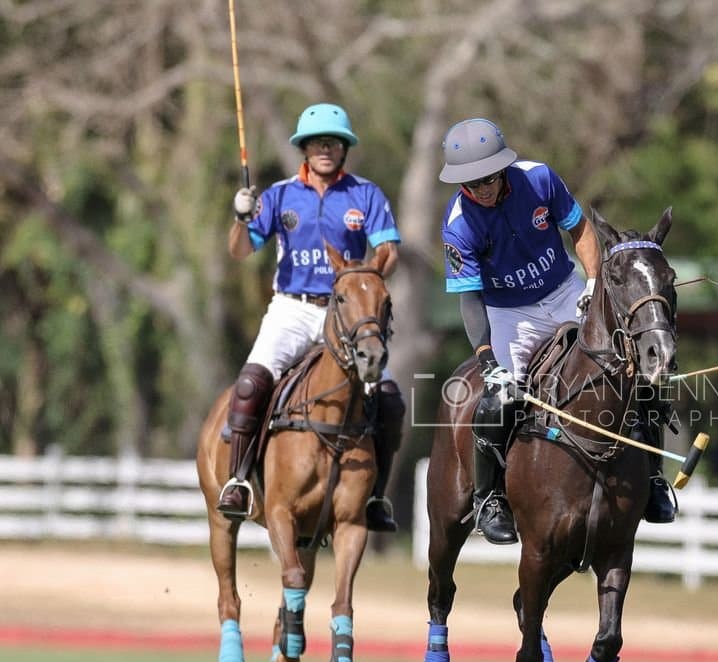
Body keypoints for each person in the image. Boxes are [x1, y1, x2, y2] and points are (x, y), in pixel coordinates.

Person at [438, 117, 676, 545]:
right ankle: (490, 497)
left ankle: (653, 477)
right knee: (497, 400)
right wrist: (488, 361)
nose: (483, 188)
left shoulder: (539, 179)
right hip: (510, 313)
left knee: (637, 367)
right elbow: (470, 300)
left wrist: (591, 281)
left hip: (565, 289)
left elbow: (580, 228)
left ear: (503, 167)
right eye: (472, 183)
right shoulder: (458, 225)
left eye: (489, 177)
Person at [217, 102, 405, 533]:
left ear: (344, 149)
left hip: (347, 315)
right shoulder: (280, 195)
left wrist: (364, 276)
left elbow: (389, 251)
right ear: (303, 147)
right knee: (250, 384)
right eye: (317, 141)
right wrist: (241, 218)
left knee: (390, 399)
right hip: (293, 308)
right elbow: (240, 250)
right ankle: (239, 481)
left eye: (334, 142)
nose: (325, 148)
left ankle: (375, 497)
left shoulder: (365, 195)